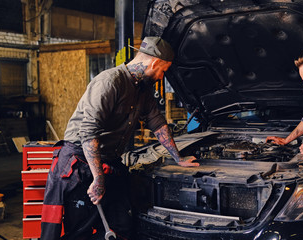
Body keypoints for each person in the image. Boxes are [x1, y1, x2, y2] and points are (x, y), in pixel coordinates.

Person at [40, 36, 199, 240]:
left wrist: (179, 159)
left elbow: (158, 124)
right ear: (155, 63)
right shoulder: (109, 82)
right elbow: (88, 132)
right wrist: (98, 179)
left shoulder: (142, 90)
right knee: (81, 231)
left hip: (109, 162)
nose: (161, 76)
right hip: (81, 164)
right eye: (163, 71)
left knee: (122, 225)